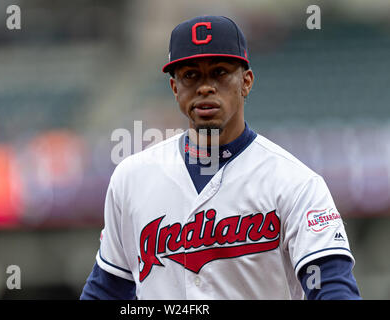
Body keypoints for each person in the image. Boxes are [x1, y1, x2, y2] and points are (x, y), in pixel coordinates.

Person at [80, 15, 361, 299]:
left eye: (220, 72)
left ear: (246, 82)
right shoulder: (132, 178)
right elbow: (107, 289)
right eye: (190, 75)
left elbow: (332, 286)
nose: (205, 87)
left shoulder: (296, 183)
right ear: (175, 88)